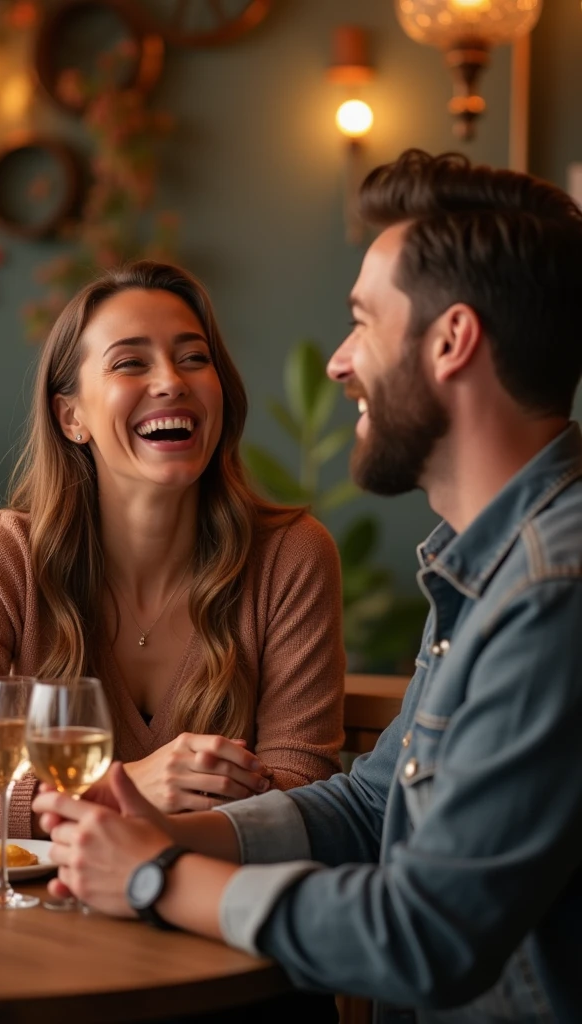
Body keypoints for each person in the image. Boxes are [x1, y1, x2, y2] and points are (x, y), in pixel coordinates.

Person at [34, 150, 582, 1024]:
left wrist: (155, 876)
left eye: (364, 321)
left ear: (451, 342)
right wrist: (166, 829)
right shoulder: (491, 568)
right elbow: (374, 806)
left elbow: (428, 933)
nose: (338, 362)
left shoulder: (554, 592)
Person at [0, 261, 345, 845]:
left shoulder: (292, 557)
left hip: (205, 917)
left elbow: (303, 797)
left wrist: (73, 812)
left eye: (194, 358)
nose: (171, 381)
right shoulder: (4, 557)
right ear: (71, 416)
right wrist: (120, 787)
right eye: (131, 362)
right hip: (41, 923)